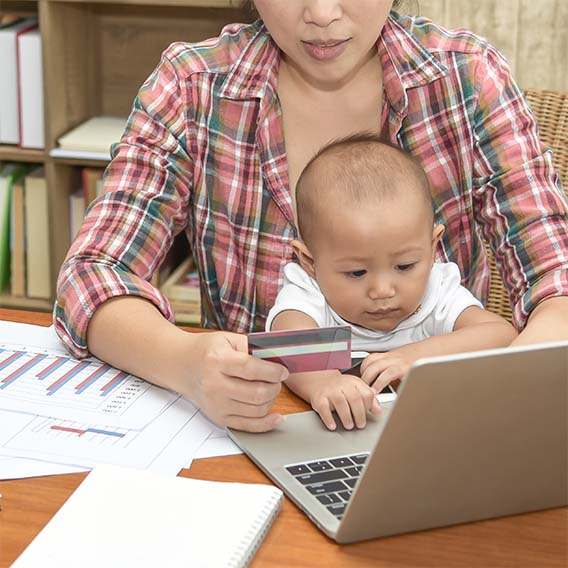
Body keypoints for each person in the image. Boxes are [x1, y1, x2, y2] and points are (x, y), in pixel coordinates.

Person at [54, 1, 568, 433]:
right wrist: (184, 363)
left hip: (443, 428)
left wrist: (508, 395)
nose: (322, 15)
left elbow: (557, 277)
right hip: (255, 428)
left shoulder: (467, 76)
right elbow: (93, 275)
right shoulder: (193, 86)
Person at [266, 134, 518, 430]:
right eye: (357, 273)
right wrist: (324, 382)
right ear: (310, 262)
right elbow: (287, 343)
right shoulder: (310, 288)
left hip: (431, 428)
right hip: (336, 433)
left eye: (405, 266)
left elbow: (501, 335)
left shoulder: (436, 289)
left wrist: (419, 356)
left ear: (433, 245)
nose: (383, 290)